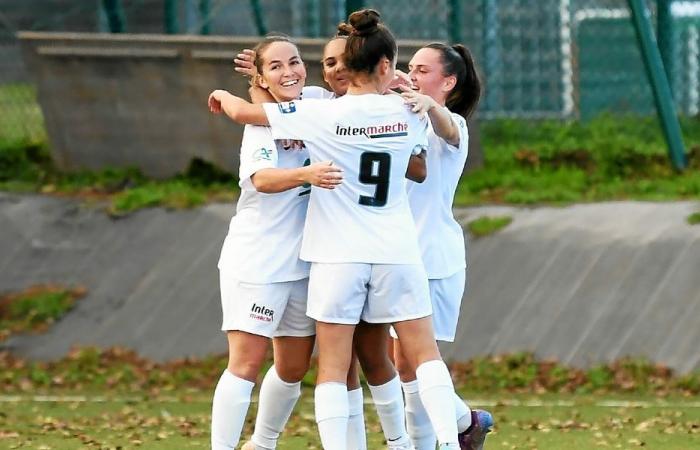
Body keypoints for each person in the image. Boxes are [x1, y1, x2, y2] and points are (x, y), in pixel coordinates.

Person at [208, 9, 474, 450]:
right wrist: (419, 103)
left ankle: (382, 442)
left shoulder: (320, 115)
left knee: (335, 366)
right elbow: (425, 159)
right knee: (421, 358)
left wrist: (226, 93)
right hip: (395, 250)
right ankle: (442, 442)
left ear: (349, 66)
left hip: (337, 255)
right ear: (387, 66)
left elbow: (247, 115)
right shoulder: (406, 111)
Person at [234, 25, 425, 450]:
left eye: (344, 60)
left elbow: (418, 168)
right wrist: (258, 84)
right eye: (328, 62)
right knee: (335, 363)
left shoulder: (347, 106)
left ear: (364, 64)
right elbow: (271, 116)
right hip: (316, 253)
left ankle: (402, 441)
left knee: (371, 356)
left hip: (359, 249)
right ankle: (275, 442)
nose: (336, 68)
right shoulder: (317, 102)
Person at [210, 35, 344, 450]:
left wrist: (395, 79)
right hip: (259, 259)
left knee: (293, 366)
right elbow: (261, 180)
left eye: (295, 62)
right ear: (263, 78)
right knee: (246, 362)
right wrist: (307, 174)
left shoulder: (319, 100)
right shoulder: (261, 124)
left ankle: (262, 443)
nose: (290, 72)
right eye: (276, 67)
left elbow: (352, 93)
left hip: (307, 261)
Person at [395, 43, 494, 449]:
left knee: (414, 362)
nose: (413, 75)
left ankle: (459, 428)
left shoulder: (452, 123)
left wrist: (426, 104)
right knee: (401, 367)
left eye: (423, 70)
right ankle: (466, 421)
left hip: (433, 258)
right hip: (394, 255)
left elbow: (448, 128)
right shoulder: (398, 114)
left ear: (448, 82)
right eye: (410, 68)